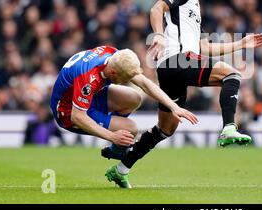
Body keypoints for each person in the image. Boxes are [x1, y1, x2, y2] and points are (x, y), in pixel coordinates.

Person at [107, 0, 262, 188]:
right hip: (177, 60)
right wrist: (159, 36)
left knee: (165, 129)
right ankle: (229, 128)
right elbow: (156, 8)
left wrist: (241, 43)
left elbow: (205, 48)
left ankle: (121, 169)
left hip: (171, 68)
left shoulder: (193, 10)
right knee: (231, 75)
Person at [50, 45, 198, 188]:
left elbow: (145, 84)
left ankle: (115, 147)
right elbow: (78, 117)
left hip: (89, 96)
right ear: (113, 73)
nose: (126, 81)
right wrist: (112, 136)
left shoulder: (114, 55)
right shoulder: (88, 78)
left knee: (134, 98)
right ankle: (117, 147)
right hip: (68, 111)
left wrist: (174, 107)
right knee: (130, 129)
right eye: (125, 78)